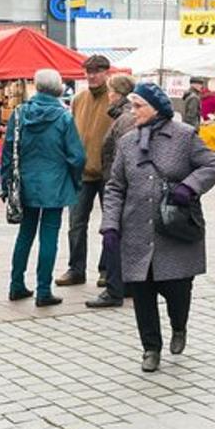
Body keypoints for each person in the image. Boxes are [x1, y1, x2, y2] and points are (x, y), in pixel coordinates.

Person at [101, 82, 215, 372]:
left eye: (138, 106)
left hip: (174, 231)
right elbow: (116, 186)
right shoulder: (128, 143)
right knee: (142, 295)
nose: (133, 111)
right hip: (136, 231)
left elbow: (213, 165)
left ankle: (179, 326)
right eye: (132, 105)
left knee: (178, 290)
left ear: (156, 108)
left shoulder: (184, 136)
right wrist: (109, 226)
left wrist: (189, 187)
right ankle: (150, 349)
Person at [1, 69, 86, 306]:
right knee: (49, 236)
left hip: (26, 184)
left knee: (25, 234)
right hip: (55, 184)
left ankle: (16, 284)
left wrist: (8, 184)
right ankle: (43, 290)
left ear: (36, 87)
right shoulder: (64, 117)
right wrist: (75, 180)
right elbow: (77, 156)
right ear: (58, 88)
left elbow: (9, 151)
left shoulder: (19, 114)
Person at [57, 55, 113, 288]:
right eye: (88, 71)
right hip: (81, 173)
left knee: (110, 224)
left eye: (96, 71)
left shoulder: (114, 100)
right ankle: (76, 269)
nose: (91, 75)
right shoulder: (79, 99)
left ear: (106, 73)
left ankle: (106, 269)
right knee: (76, 224)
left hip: (108, 173)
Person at [86, 74, 137, 309]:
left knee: (113, 235)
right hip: (119, 185)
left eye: (110, 91)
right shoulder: (125, 116)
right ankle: (123, 284)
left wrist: (116, 184)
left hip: (119, 187)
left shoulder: (125, 119)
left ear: (116, 94)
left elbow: (124, 157)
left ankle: (115, 287)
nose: (108, 96)